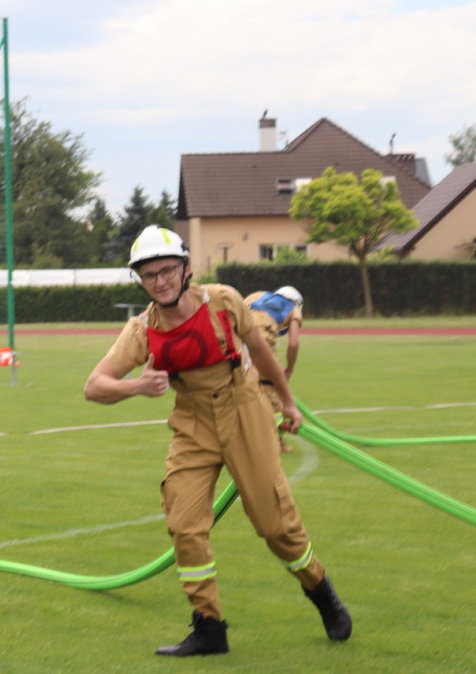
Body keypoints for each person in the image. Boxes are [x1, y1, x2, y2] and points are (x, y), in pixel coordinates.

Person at [83, 225, 351, 657]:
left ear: (185, 269)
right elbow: (94, 386)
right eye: (149, 275)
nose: (160, 281)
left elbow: (262, 354)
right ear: (141, 280)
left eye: (167, 270)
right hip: (192, 420)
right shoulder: (141, 330)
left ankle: (321, 592)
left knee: (274, 526)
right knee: (184, 523)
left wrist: (287, 402)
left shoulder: (223, 302)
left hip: (244, 408)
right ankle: (209, 627)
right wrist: (136, 386)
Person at [245, 286, 304, 452]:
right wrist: (289, 369)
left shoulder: (257, 294)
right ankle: (276, 442)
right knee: (275, 392)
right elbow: (293, 343)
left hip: (237, 339)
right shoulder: (293, 309)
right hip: (262, 342)